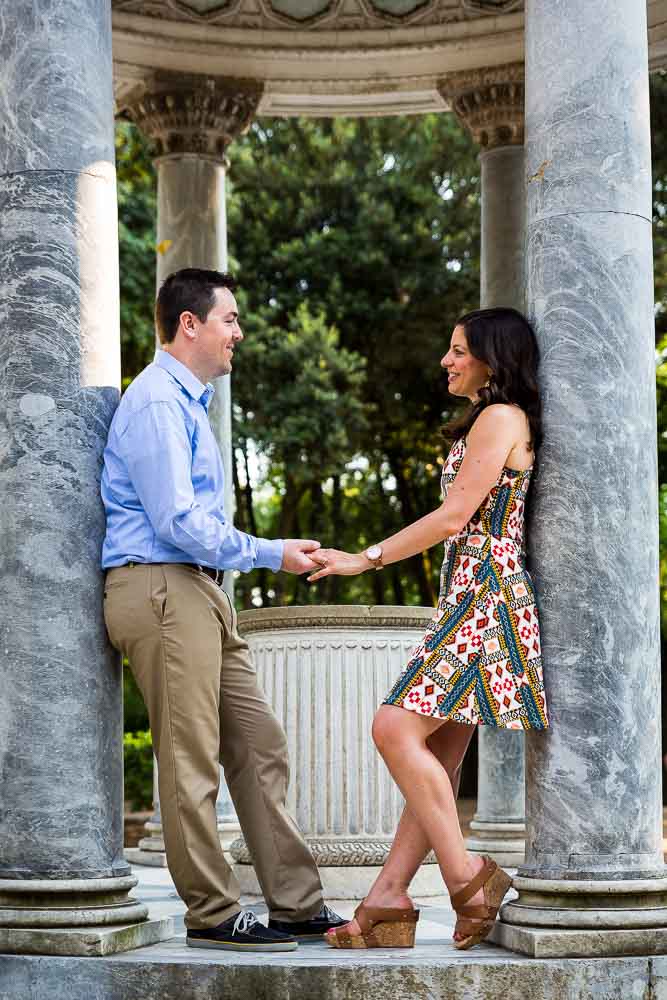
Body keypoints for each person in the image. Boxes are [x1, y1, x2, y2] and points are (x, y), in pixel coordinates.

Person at [101, 267, 345, 952]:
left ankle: (295, 904)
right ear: (190, 324)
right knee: (191, 758)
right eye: (229, 319)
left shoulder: (188, 403)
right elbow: (175, 519)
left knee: (259, 742)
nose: (238, 332)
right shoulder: (155, 402)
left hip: (197, 589)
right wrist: (270, 553)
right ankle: (211, 911)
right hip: (159, 584)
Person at [307, 307, 549, 951]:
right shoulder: (490, 420)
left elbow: (453, 518)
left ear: (494, 359)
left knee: (393, 727)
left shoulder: (500, 418)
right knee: (436, 759)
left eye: (459, 350)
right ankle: (388, 897)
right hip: (471, 596)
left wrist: (365, 558)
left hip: (486, 598)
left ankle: (467, 877)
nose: (447, 361)